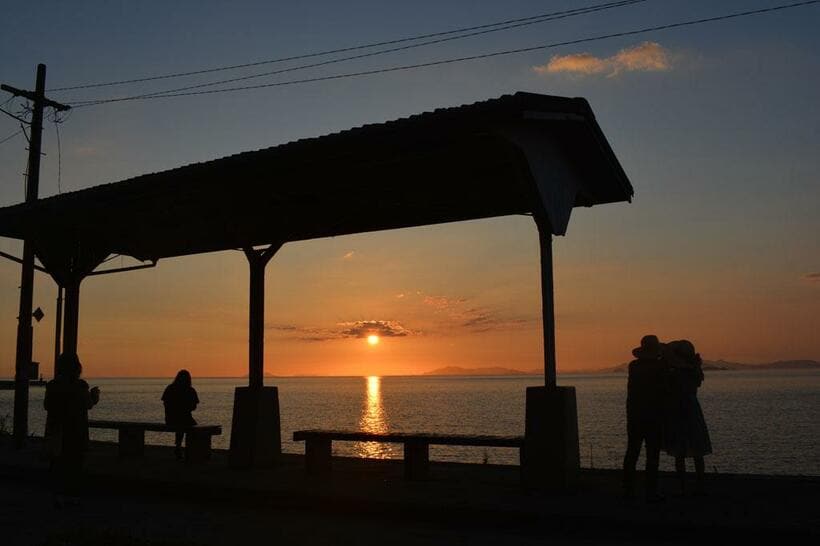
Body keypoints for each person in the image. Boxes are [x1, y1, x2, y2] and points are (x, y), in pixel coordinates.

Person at [44, 353, 100, 506]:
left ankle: (57, 494)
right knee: (75, 463)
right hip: (76, 430)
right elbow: (88, 404)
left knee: (57, 463)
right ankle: (73, 495)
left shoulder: (53, 385)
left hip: (57, 429)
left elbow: (47, 406)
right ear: (77, 367)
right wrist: (94, 397)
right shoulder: (80, 386)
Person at [622, 334, 669, 502]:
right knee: (652, 455)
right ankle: (651, 490)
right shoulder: (660, 367)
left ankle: (628, 489)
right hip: (654, 415)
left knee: (632, 452)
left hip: (635, 415)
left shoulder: (633, 366)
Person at [663, 339, 712, 495]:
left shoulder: (677, 373)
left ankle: (682, 485)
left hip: (679, 410)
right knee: (696, 447)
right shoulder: (694, 370)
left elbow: (669, 388)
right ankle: (700, 483)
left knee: (680, 450)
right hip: (692, 409)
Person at [161, 369, 199, 460]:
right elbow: (194, 407)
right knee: (192, 427)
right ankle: (189, 449)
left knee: (182, 425)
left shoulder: (170, 388)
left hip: (170, 419)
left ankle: (178, 446)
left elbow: (165, 404)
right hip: (185, 418)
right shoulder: (190, 390)